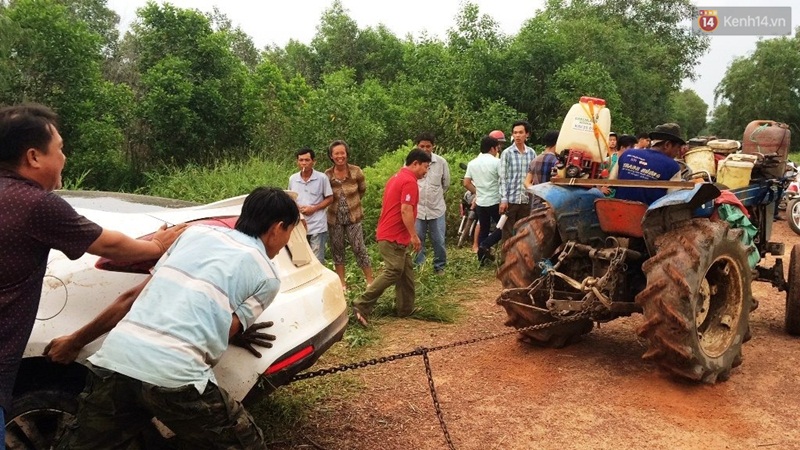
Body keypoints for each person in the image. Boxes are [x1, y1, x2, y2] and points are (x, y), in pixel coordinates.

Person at [55, 187, 300, 449]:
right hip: (176, 378)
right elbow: (225, 330)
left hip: (115, 361)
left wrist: (74, 341)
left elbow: (130, 298)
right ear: (278, 228)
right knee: (246, 444)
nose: (286, 240)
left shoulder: (194, 235)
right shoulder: (268, 275)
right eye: (289, 232)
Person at [0, 103, 186, 445]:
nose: (64, 158)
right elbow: (108, 244)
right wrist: (157, 247)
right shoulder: (36, 204)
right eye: (59, 149)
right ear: (33, 157)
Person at [352, 149, 431, 326]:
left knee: (406, 271)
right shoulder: (409, 181)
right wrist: (414, 236)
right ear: (415, 163)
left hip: (391, 234)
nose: (426, 171)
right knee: (394, 270)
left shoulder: (396, 177)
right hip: (393, 236)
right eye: (425, 167)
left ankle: (405, 308)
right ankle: (361, 304)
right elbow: (405, 209)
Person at [324, 140, 374, 291]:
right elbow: (325, 195)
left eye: (342, 153)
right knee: (337, 249)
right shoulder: (327, 175)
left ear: (347, 153)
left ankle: (370, 281)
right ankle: (342, 283)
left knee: (359, 247)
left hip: (354, 217)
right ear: (331, 156)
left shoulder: (356, 171)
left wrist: (353, 203)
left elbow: (362, 190)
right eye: (336, 153)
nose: (340, 156)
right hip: (334, 219)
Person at [610, 123, 684, 205]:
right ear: (667, 145)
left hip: (617, 211)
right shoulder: (673, 167)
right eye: (677, 147)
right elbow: (673, 200)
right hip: (648, 216)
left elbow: (611, 181)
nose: (677, 152)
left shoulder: (627, 154)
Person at [413, 132, 450, 275]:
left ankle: (439, 266)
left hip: (436, 209)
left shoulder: (441, 162)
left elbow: (446, 184)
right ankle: (419, 267)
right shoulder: (411, 162)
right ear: (417, 146)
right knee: (417, 240)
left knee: (439, 240)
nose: (425, 149)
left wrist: (436, 195)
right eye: (422, 146)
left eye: (428, 146)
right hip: (418, 209)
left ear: (433, 147)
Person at [288, 147, 333, 264]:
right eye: (301, 160)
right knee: (300, 260)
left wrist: (314, 208)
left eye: (307, 160)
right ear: (297, 162)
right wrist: (296, 208)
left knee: (317, 259)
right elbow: (290, 198)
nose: (304, 163)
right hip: (298, 226)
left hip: (317, 225)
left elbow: (330, 198)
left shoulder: (322, 178)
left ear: (313, 161)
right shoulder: (293, 179)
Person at [465, 135, 503, 266]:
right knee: (503, 228)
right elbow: (503, 180)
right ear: (493, 148)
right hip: (495, 201)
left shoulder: (472, 163)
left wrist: (477, 191)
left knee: (484, 228)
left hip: (480, 202)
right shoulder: (497, 162)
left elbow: (466, 183)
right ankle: (485, 245)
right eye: (497, 148)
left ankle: (482, 260)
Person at [499, 120, 536, 245]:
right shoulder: (507, 153)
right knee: (508, 233)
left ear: (527, 135)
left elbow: (533, 177)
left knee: (523, 232)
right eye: (515, 133)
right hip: (511, 200)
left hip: (526, 199)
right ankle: (506, 261)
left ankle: (520, 261)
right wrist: (504, 199)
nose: (517, 136)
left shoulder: (531, 153)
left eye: (520, 133)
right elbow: (503, 177)